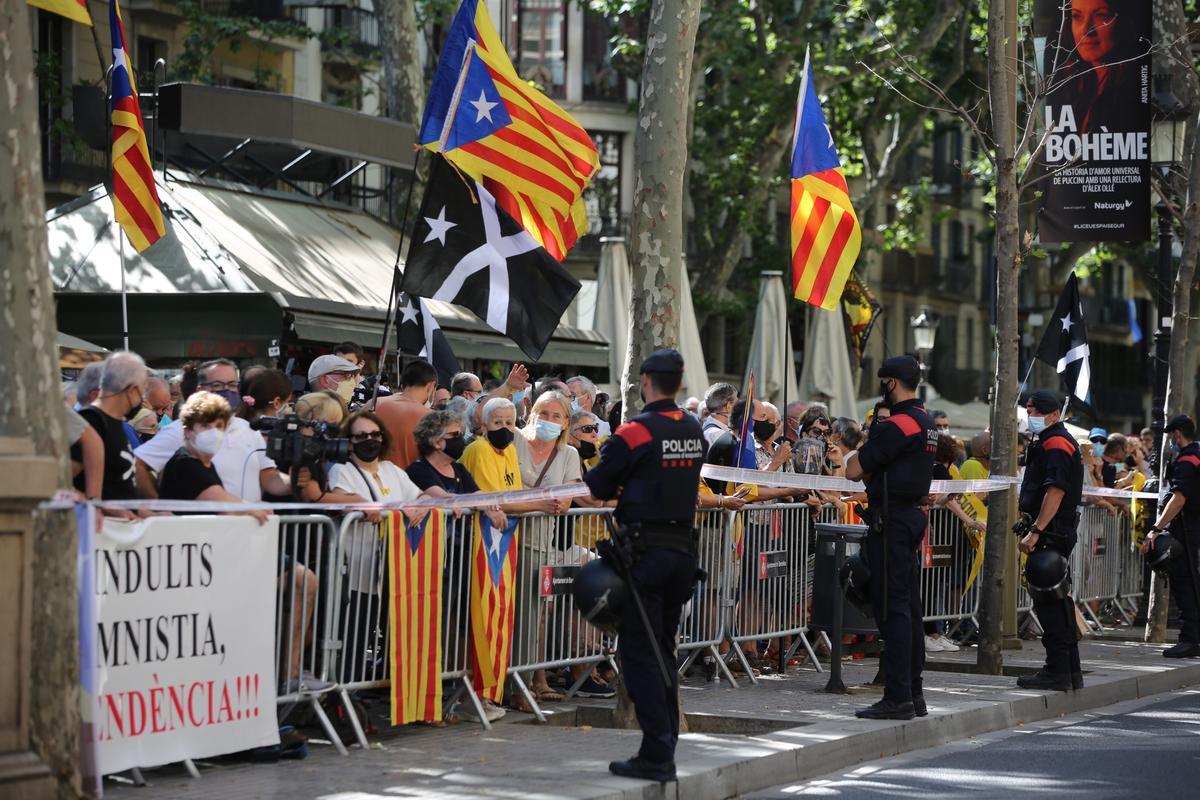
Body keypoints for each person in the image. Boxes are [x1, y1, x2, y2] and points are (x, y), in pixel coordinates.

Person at [581, 348, 704, 782]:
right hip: (682, 555)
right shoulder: (692, 428)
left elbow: (597, 485)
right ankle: (664, 742)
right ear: (680, 382)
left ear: (646, 380)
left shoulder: (635, 431)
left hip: (645, 556)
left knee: (640, 656)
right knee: (661, 649)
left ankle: (657, 754)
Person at [844, 355, 936, 720]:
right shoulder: (927, 422)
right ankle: (913, 694)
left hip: (892, 522)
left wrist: (863, 445)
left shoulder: (897, 424)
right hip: (909, 518)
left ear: (891, 383)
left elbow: (853, 470)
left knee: (892, 610)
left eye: (882, 381)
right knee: (909, 610)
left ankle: (898, 697)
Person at [135, 359, 294, 501]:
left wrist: (296, 482)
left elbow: (269, 477)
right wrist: (157, 505)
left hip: (247, 531)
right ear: (199, 390)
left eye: (232, 385)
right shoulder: (181, 430)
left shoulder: (249, 429)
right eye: (217, 385)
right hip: (199, 532)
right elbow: (138, 465)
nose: (226, 391)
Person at [1014, 390, 1085, 691]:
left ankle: (1057, 671)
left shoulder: (1056, 442)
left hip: (1052, 532)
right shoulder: (1051, 440)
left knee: (1049, 601)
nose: (1031, 417)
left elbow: (1055, 490)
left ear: (1054, 414)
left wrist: (1037, 530)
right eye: (1028, 411)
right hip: (1054, 529)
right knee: (1057, 599)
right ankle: (1069, 669)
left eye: (1035, 411)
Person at [156, 392, 270, 522]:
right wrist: (252, 507)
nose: (213, 432)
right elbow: (221, 501)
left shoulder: (207, 464)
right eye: (205, 425)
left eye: (219, 426)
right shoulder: (185, 463)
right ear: (187, 431)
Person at [1142, 415, 1200, 658]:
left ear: (1177, 435)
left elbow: (1178, 499)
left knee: (1186, 584)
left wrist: (1156, 528)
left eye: (1171, 437)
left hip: (1187, 531)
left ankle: (1190, 639)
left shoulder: (1187, 461)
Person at [72, 352, 149, 501]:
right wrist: (104, 509)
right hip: (103, 523)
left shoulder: (116, 422)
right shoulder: (92, 422)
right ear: (132, 390)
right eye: (143, 391)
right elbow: (61, 482)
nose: (143, 399)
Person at [374, 360, 438, 469]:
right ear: (430, 386)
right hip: (409, 482)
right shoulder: (432, 418)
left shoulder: (373, 404)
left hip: (369, 480)